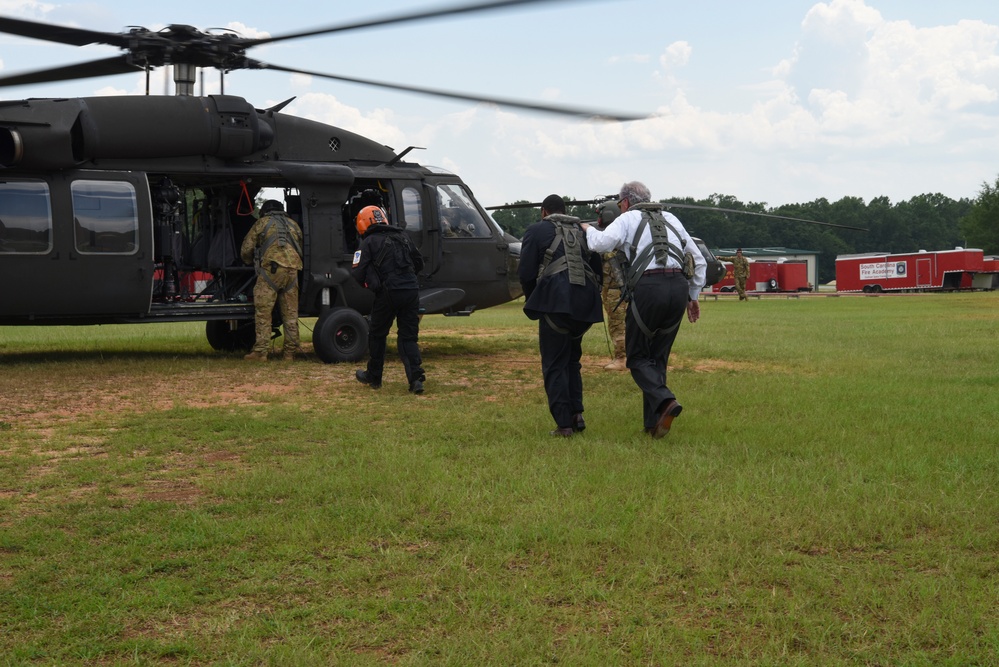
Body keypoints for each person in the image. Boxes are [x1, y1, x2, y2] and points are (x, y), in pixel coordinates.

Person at [581, 181, 707, 438]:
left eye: (620, 204)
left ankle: (665, 401)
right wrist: (692, 296)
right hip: (679, 288)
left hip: (650, 289)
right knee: (657, 358)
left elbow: (601, 244)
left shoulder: (627, 219)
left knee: (637, 357)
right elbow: (699, 260)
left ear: (625, 202)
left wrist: (587, 229)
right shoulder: (671, 218)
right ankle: (654, 424)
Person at [519, 194, 604, 437]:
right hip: (585, 307)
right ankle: (577, 414)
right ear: (565, 210)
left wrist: (534, 300)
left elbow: (525, 273)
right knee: (572, 361)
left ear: (544, 212)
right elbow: (598, 271)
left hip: (555, 304)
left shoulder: (536, 230)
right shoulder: (584, 231)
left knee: (554, 364)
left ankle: (563, 424)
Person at [351, 205, 427, 394]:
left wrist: (373, 284)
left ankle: (374, 377)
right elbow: (419, 263)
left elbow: (358, 272)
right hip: (411, 291)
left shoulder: (368, 242)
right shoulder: (403, 237)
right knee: (408, 337)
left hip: (388, 293)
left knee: (377, 335)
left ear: (363, 223)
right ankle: (416, 380)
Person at [240, 199, 304, 361]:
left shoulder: (262, 223)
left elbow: (246, 249)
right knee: (290, 314)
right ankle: (290, 353)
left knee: (263, 311)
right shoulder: (293, 225)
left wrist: (248, 261)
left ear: (264, 211)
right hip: (293, 271)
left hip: (271, 271)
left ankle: (261, 352)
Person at [595, 200, 627, 371]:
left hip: (616, 291)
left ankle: (621, 359)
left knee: (617, 326)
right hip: (623, 290)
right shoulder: (623, 236)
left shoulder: (609, 240)